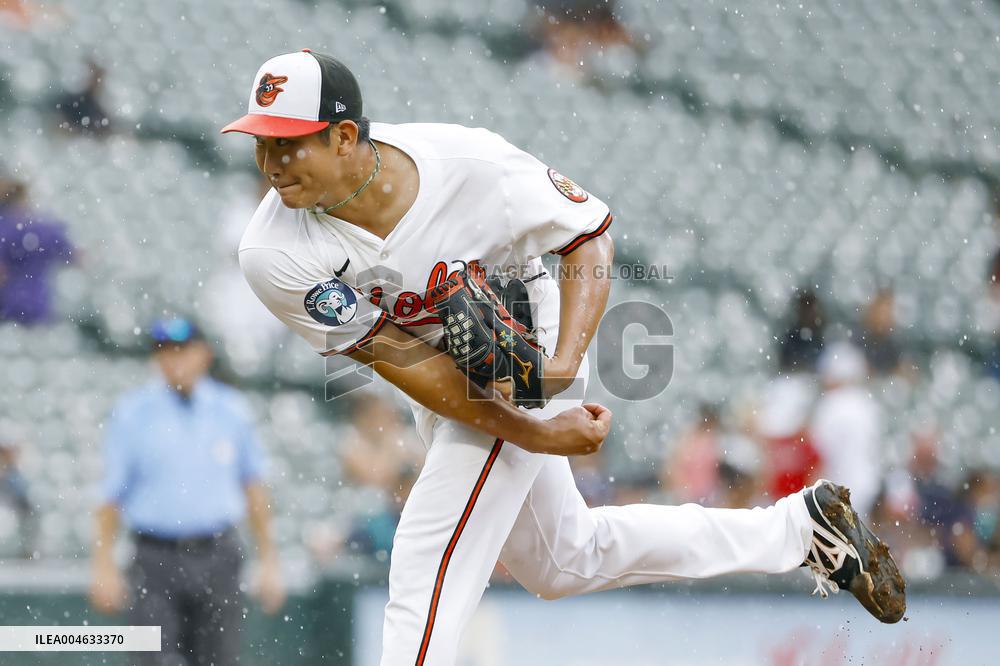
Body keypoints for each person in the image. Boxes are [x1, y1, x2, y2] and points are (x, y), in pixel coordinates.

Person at [222, 50, 906, 664]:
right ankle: (799, 531)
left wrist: (556, 371)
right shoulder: (272, 252)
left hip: (525, 332)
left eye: (289, 143)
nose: (272, 163)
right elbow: (409, 364)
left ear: (344, 136)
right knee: (565, 560)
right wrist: (536, 432)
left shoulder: (468, 166)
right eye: (262, 143)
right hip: (442, 366)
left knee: (427, 551)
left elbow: (589, 235)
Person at [89, 317, 285, 665]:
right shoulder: (133, 413)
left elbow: (254, 487)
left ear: (204, 354)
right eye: (165, 351)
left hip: (218, 555)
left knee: (218, 658)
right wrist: (103, 566)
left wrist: (268, 560)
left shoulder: (231, 410)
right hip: (154, 558)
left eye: (182, 350)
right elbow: (110, 497)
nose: (173, 359)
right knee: (152, 658)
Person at [810, 342, 882, 519]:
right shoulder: (868, 403)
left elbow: (818, 452)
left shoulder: (831, 405)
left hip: (838, 486)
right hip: (869, 484)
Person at [0, 175, 75, 325]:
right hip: (39, 305)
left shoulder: (4, 227)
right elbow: (75, 257)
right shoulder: (45, 228)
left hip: (8, 307)